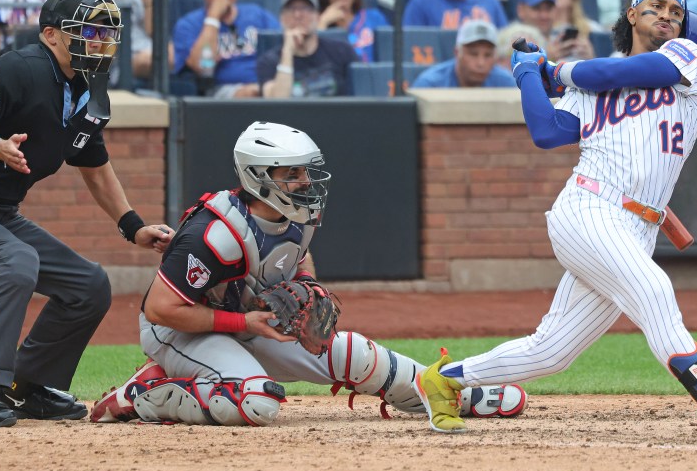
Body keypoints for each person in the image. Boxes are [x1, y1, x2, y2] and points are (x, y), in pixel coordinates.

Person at [414, 0, 697, 445]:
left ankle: (445, 379)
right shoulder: (592, 81)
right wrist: (524, 76)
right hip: (589, 208)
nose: (667, 16)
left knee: (552, 351)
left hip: (638, 226)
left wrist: (552, 71)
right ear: (632, 15)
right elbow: (548, 131)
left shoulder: (687, 60)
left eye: (675, 11)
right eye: (655, 6)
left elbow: (616, 75)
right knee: (654, 290)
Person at [89, 121, 527, 427]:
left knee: (354, 352)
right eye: (292, 173)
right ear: (259, 177)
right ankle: (146, 396)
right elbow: (160, 310)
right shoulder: (215, 232)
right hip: (180, 332)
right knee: (257, 402)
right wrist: (242, 323)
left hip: (246, 323)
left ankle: (450, 392)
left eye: (305, 171)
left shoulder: (298, 214)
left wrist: (308, 286)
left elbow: (294, 259)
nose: (305, 181)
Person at [0, 0, 174, 428]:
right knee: (15, 260)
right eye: (89, 31)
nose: (102, 42)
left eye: (108, 33)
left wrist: (133, 226)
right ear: (51, 35)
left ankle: (26, 386)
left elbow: (95, 166)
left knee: (89, 285)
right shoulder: (22, 67)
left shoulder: (89, 89)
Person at [171, 0, 280, 98]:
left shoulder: (258, 14)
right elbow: (201, 65)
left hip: (266, 84)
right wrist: (213, 18)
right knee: (255, 92)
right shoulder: (188, 24)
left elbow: (282, 49)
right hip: (221, 91)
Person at [257, 0, 357, 97]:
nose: (298, 15)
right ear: (282, 19)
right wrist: (287, 51)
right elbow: (276, 106)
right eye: (291, 9)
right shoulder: (268, 61)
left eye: (306, 9)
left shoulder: (342, 51)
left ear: (318, 17)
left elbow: (363, 94)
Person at [311, 0, 388, 63]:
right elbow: (311, 60)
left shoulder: (374, 17)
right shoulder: (316, 22)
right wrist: (323, 22)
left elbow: (390, 54)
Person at [411, 19, 517, 88]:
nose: (481, 63)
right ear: (457, 53)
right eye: (473, 54)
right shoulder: (430, 84)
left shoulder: (506, 84)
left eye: (488, 55)